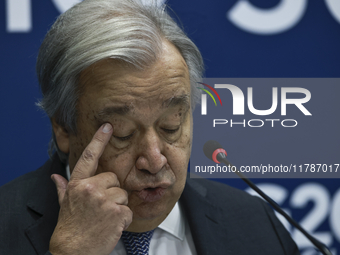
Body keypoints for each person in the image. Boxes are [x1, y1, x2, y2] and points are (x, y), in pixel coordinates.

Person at [0, 0, 299, 254]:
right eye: (122, 132)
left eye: (171, 125)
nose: (154, 161)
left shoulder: (254, 224)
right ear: (64, 127)